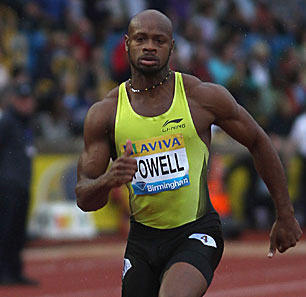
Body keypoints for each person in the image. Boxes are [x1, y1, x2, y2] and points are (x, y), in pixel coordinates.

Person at [74, 10, 302, 297]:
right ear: (126, 43)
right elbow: (85, 197)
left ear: (172, 47)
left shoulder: (201, 98)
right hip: (142, 240)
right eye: (141, 39)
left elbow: (258, 141)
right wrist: (109, 179)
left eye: (159, 40)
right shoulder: (105, 114)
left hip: (195, 231)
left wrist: (285, 213)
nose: (149, 46)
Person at [0, 82, 37, 286]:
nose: (26, 103)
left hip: (20, 185)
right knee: (4, 231)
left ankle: (14, 271)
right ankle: (2, 272)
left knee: (18, 232)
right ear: (14, 100)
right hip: (5, 186)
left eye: (28, 99)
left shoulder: (25, 123)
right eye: (22, 99)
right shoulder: (5, 122)